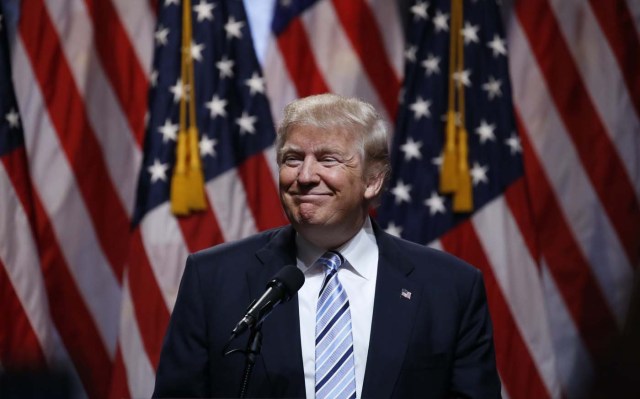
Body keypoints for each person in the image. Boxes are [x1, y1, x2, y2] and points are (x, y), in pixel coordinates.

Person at [153, 93, 501, 398]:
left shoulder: (450, 288)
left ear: (373, 180)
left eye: (328, 159)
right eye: (292, 159)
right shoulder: (213, 278)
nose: (305, 176)